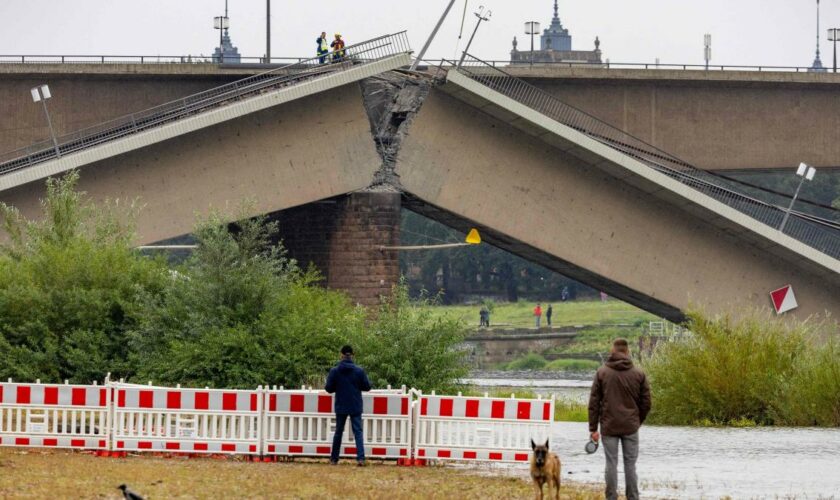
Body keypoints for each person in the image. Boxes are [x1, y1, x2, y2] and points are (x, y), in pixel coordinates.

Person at [588, 338, 652, 500]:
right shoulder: (639, 373)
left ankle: (611, 497)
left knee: (611, 464)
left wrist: (593, 429)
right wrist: (637, 421)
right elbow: (646, 403)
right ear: (627, 352)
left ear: (613, 350)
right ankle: (633, 497)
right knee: (630, 465)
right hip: (631, 426)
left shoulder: (602, 372)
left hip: (609, 426)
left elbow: (594, 403)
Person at [325, 344, 371, 466]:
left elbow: (328, 388)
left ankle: (334, 459)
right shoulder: (359, 371)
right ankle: (360, 459)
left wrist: (337, 386)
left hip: (341, 405)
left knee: (338, 432)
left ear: (341, 355)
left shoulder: (335, 371)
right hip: (355, 405)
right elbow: (367, 387)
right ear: (352, 355)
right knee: (358, 432)